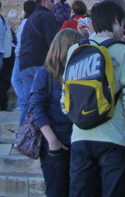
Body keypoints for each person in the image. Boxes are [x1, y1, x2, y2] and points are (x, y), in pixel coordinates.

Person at [66, 0, 125, 197]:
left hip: (80, 135)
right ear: (116, 21)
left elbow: (65, 100)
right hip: (115, 137)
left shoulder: (74, 51)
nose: (123, 28)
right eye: (123, 23)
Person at [29, 28, 83, 197]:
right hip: (54, 144)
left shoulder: (80, 74)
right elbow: (36, 106)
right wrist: (51, 139)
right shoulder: (45, 74)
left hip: (78, 142)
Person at [17, 0, 59, 124]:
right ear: (44, 2)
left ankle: (22, 137)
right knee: (44, 101)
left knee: (30, 104)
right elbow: (53, 43)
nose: (54, 5)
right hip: (40, 64)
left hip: (25, 64)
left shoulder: (30, 19)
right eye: (52, 1)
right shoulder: (47, 16)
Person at [11, 0, 36, 115]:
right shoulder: (33, 21)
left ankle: (23, 103)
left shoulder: (26, 22)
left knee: (16, 79)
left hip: (21, 54)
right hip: (27, 54)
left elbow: (20, 39)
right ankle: (24, 102)